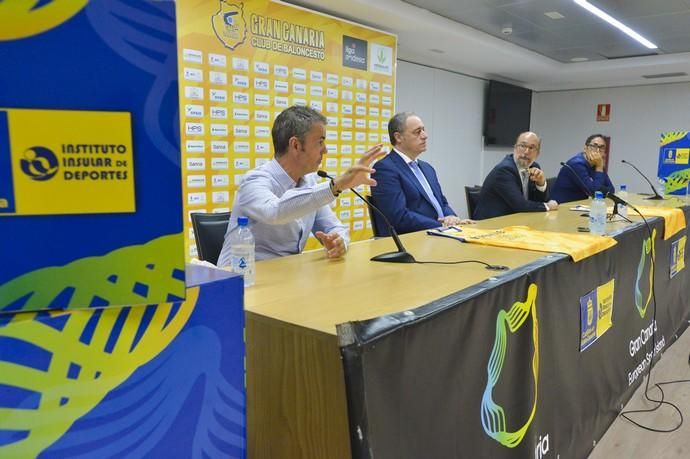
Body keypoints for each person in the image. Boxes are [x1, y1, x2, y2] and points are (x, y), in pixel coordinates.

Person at [217, 105, 385, 265]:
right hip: (240, 280)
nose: (325, 150)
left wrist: (339, 242)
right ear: (296, 145)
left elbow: (334, 227)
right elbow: (275, 212)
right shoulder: (254, 181)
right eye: (320, 142)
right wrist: (336, 185)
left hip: (286, 276)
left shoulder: (309, 181)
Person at [371, 112, 472, 235]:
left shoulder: (427, 168)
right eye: (417, 132)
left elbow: (442, 202)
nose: (425, 136)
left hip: (441, 234)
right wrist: (441, 225)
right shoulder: (385, 169)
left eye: (423, 130)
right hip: (414, 239)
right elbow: (399, 216)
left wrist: (451, 217)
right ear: (398, 137)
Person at [474, 131, 558, 220]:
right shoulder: (504, 170)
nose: (526, 152)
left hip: (517, 222)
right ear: (515, 148)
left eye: (531, 148)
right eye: (522, 146)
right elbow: (520, 205)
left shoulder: (534, 167)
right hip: (490, 225)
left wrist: (540, 184)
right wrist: (547, 206)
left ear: (537, 154)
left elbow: (539, 202)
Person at [551, 134, 615, 203]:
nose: (598, 150)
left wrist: (599, 168)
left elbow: (611, 190)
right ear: (585, 148)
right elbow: (594, 193)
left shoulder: (597, 163)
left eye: (602, 147)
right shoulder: (576, 164)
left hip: (579, 206)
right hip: (561, 207)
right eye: (594, 146)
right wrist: (599, 167)